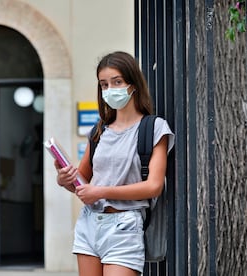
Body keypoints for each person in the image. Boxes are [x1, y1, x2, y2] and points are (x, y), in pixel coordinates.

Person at [54, 51, 174, 276]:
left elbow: (153, 186)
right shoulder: (100, 130)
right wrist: (64, 179)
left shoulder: (154, 128)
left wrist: (100, 192)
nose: (110, 89)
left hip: (125, 227)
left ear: (133, 83)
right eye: (104, 84)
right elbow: (82, 183)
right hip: (89, 223)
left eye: (117, 82)